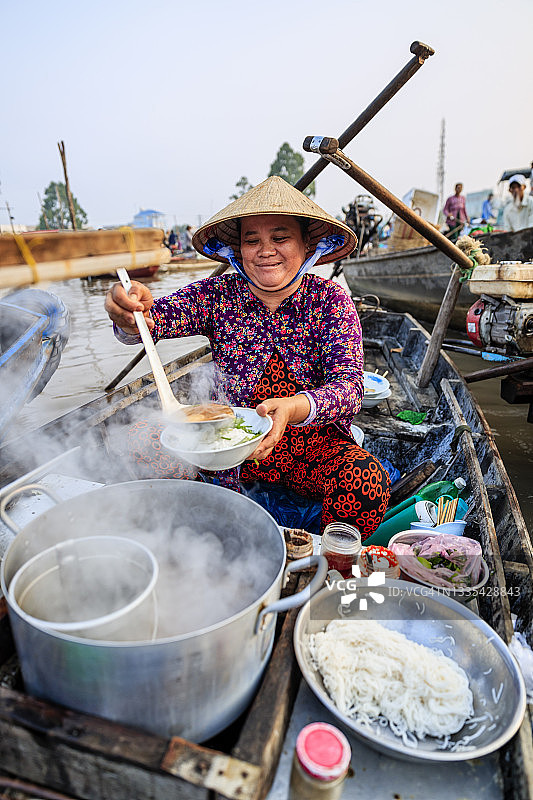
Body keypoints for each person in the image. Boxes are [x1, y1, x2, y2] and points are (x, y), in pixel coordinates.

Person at [105, 176, 390, 538]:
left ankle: (329, 566)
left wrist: (292, 408)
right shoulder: (217, 293)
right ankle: (182, 544)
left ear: (306, 245)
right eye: (251, 240)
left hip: (312, 447)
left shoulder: (331, 299)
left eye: (280, 237)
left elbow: (350, 387)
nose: (265, 250)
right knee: (139, 441)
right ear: (238, 250)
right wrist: (127, 312)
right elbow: (150, 321)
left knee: (366, 480)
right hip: (228, 442)